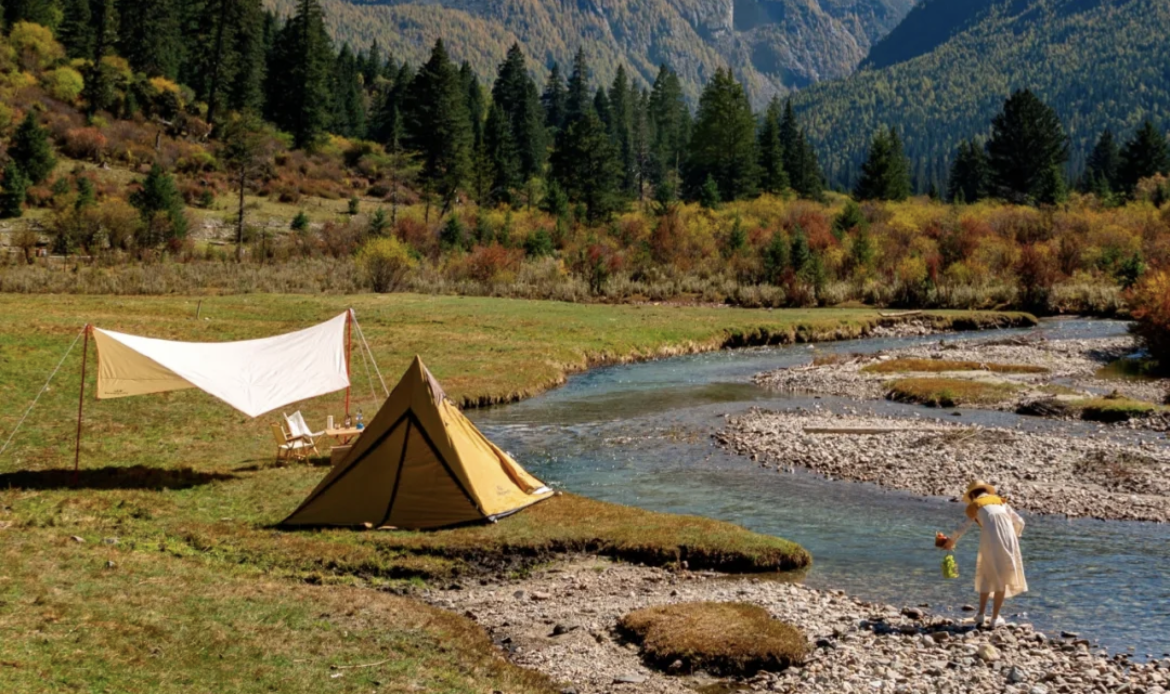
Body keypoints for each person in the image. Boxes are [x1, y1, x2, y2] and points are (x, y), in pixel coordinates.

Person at [941, 480, 1027, 628]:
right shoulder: (1000, 502)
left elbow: (962, 526)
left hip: (990, 541)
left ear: (973, 495)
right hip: (1009, 540)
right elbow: (1020, 522)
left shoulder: (975, 506)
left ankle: (981, 615)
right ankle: (994, 619)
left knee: (987, 574)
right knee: (1003, 576)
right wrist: (1015, 537)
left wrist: (951, 541)